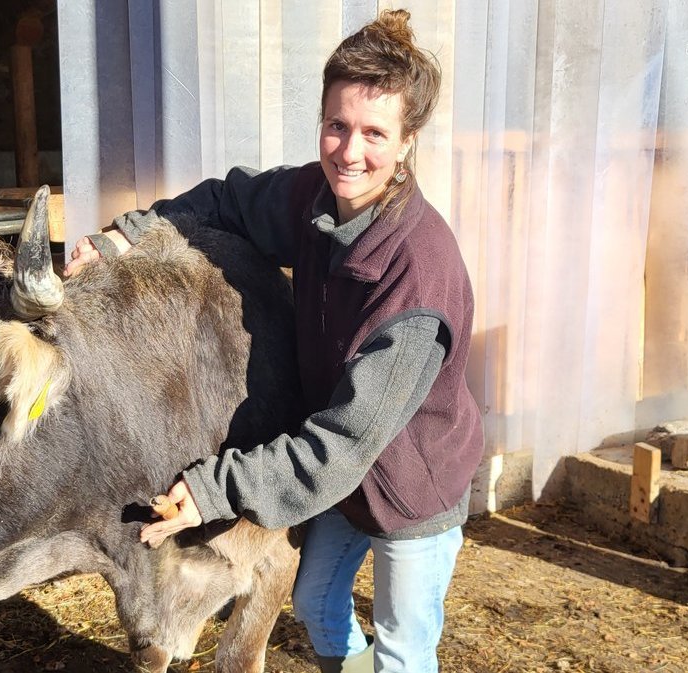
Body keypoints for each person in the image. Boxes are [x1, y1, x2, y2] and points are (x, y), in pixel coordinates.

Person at [67, 10, 483, 673]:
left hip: (409, 488)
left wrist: (210, 490)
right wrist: (128, 233)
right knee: (316, 604)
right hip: (342, 480)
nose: (349, 151)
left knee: (403, 652)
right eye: (337, 126)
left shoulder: (417, 274)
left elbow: (345, 442)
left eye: (375, 133)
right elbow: (226, 202)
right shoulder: (317, 202)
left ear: (407, 142)